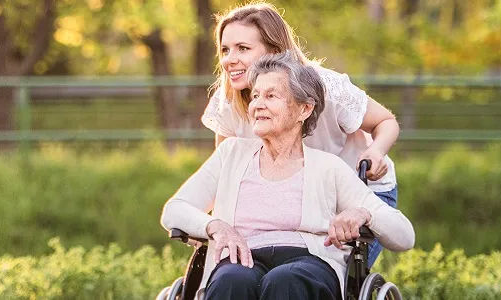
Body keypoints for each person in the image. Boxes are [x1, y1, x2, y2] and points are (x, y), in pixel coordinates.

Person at [161, 51, 414, 300]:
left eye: (271, 96)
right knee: (231, 282)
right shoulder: (231, 154)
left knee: (286, 280)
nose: (258, 104)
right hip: (240, 260)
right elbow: (174, 210)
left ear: (304, 109)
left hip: (309, 263)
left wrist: (363, 214)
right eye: (256, 95)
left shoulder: (328, 167)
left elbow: (404, 235)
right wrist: (214, 225)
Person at [201, 2, 400, 267]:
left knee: (328, 279)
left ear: (274, 51)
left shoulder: (325, 87)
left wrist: (375, 152)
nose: (229, 59)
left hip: (355, 195)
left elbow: (386, 122)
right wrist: (205, 221)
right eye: (225, 49)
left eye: (243, 49)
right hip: (292, 202)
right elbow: (224, 176)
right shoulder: (227, 101)